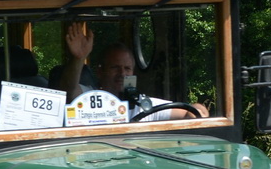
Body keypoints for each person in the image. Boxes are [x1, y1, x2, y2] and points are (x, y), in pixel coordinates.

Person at [59, 21, 208, 120]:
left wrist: (198, 110)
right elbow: (69, 91)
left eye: (127, 69)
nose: (122, 74)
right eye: (115, 67)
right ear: (100, 72)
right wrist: (79, 58)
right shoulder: (89, 98)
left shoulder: (143, 106)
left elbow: (189, 112)